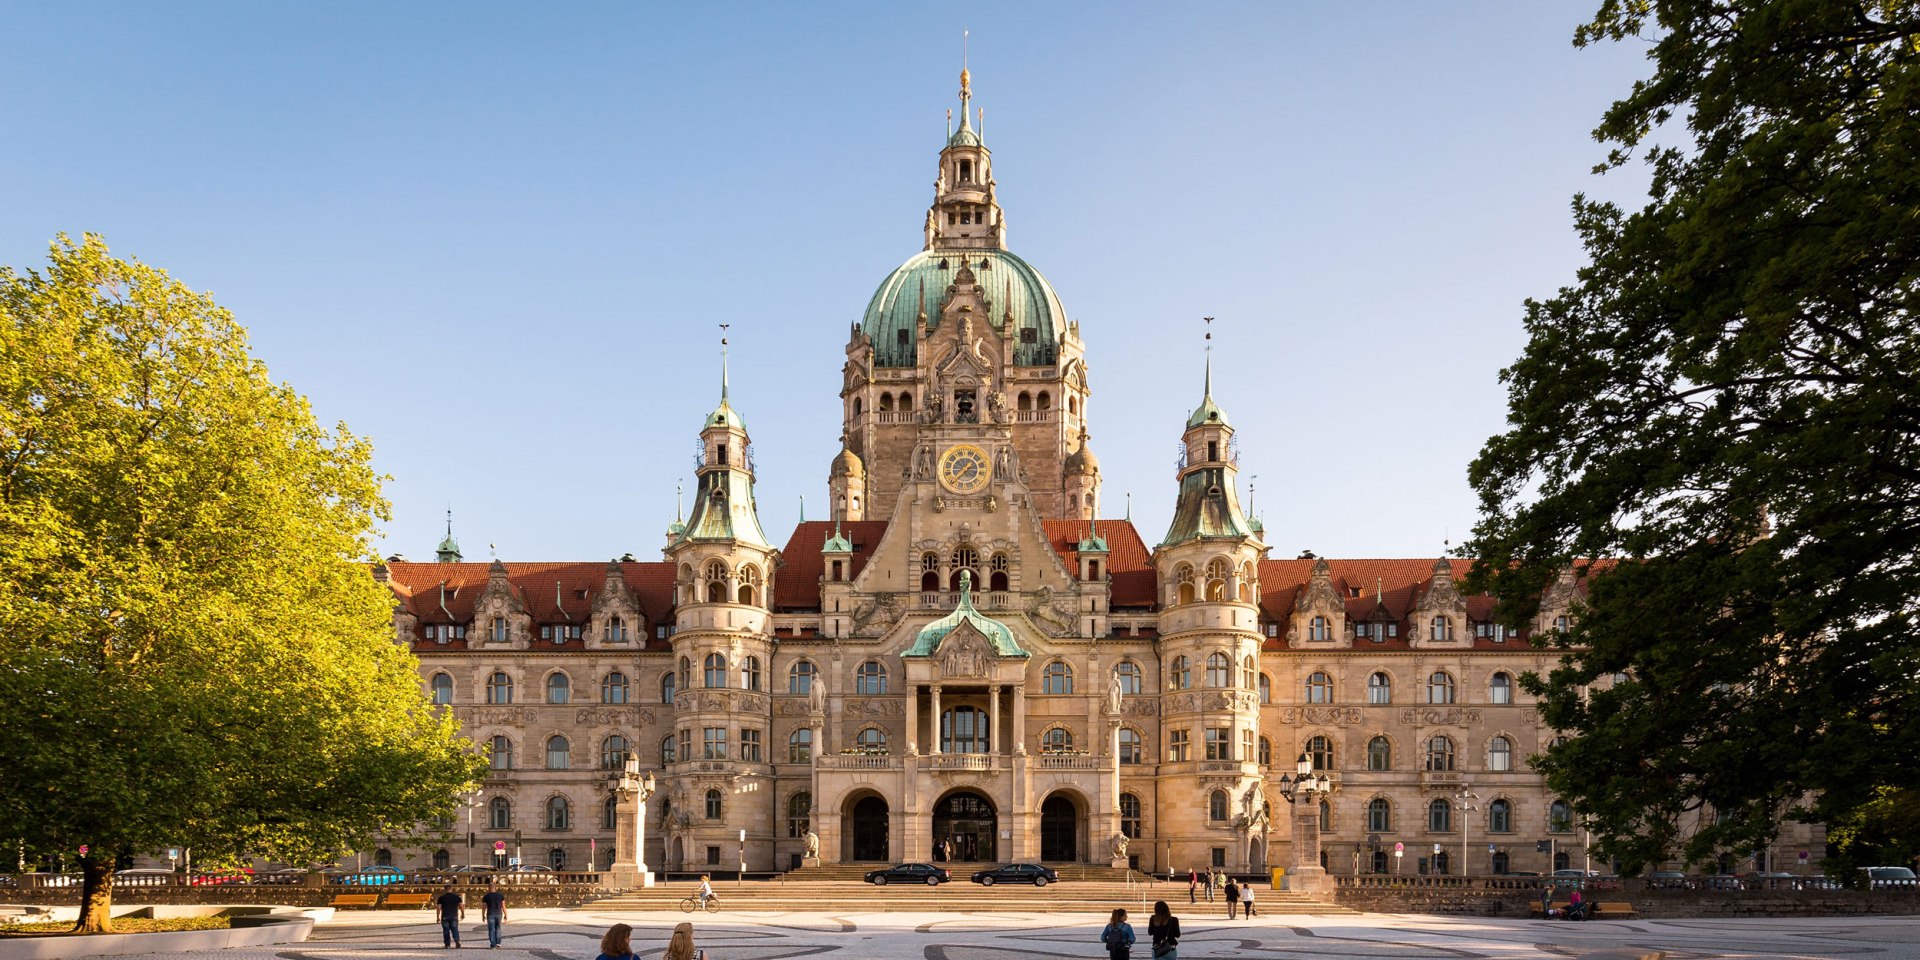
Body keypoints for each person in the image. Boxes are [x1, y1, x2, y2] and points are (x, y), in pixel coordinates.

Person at [434, 885, 465, 949]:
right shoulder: (457, 897)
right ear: (452, 889)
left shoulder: (441, 898)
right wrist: (463, 914)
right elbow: (461, 906)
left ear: (445, 889)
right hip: (454, 916)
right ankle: (456, 940)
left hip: (445, 916)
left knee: (446, 931)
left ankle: (447, 944)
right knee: (455, 929)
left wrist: (437, 917)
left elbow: (438, 908)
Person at [480, 880, 507, 948]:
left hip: (490, 914)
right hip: (499, 914)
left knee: (491, 929)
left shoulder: (486, 896)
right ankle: (498, 942)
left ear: (488, 888)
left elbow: (484, 907)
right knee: (498, 928)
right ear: (495, 888)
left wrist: (483, 915)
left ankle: (493, 944)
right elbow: (503, 906)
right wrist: (506, 914)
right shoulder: (500, 895)